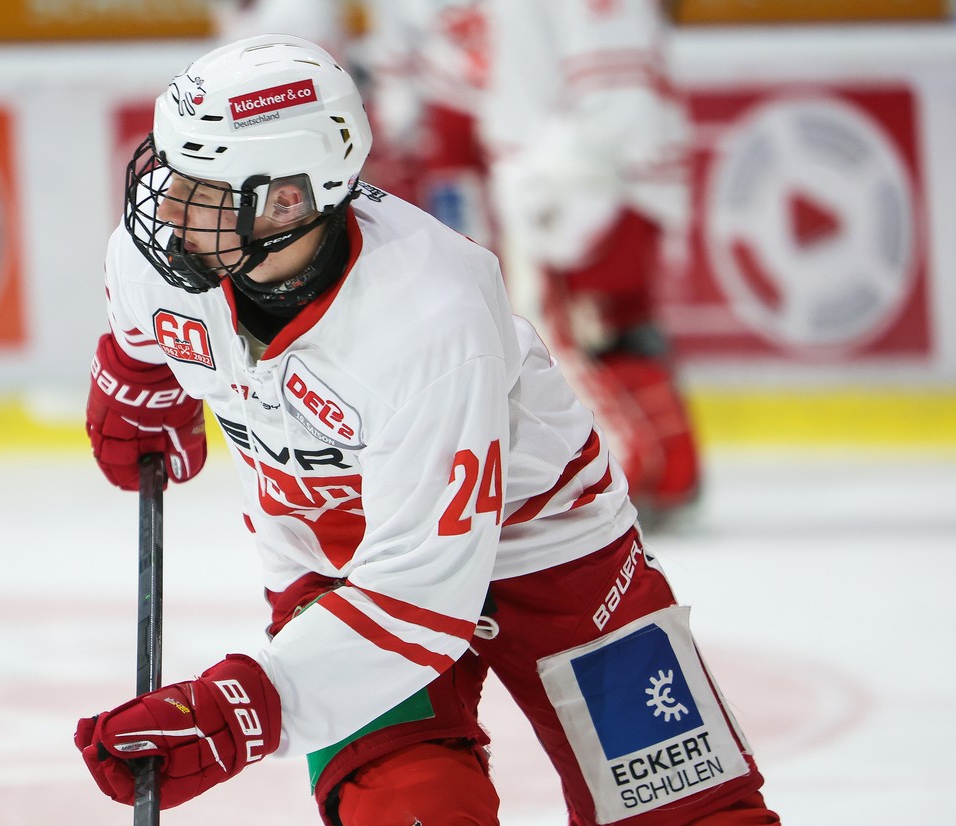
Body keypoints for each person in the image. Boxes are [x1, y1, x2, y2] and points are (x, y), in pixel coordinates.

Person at [75, 34, 779, 825]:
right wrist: (140, 382)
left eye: (201, 187)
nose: (165, 207)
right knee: (410, 810)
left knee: (686, 814)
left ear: (289, 199)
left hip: (552, 553)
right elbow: (140, 326)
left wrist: (240, 708)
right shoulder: (159, 261)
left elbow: (420, 594)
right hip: (337, 565)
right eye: (168, 171)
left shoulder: (430, 316)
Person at [363, 0, 703, 524]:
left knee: (580, 332)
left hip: (589, 179)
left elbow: (613, 86)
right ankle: (668, 471)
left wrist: (555, 175)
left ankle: (639, 472)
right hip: (597, 173)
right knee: (614, 326)